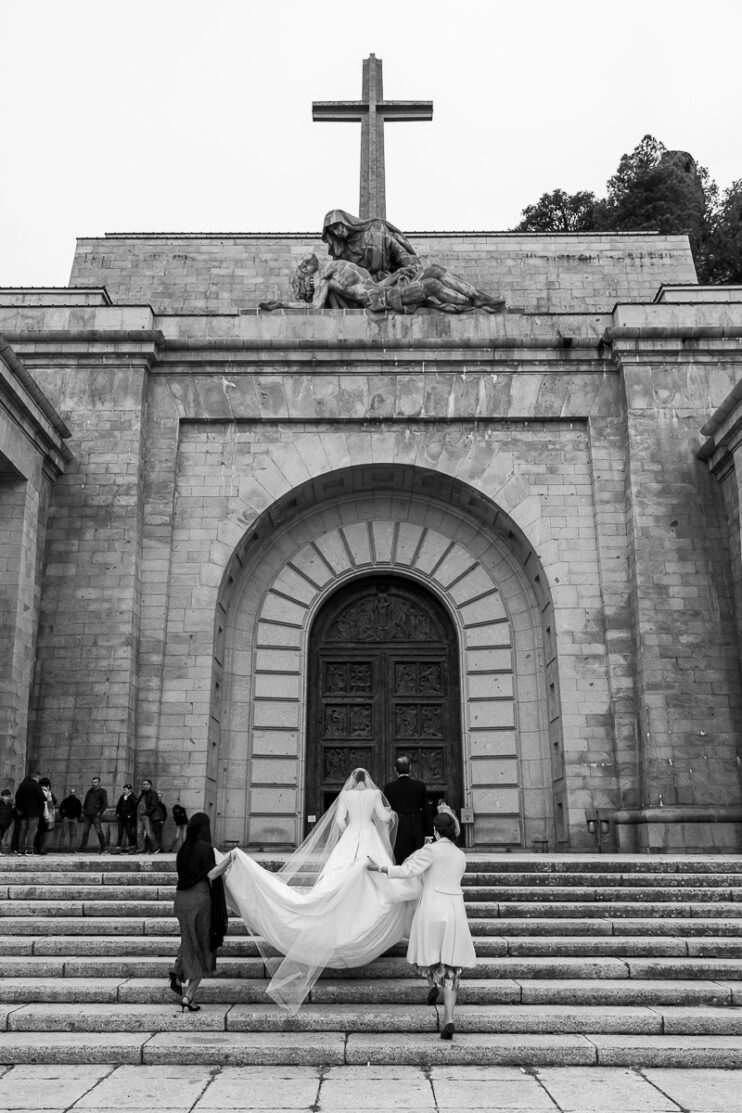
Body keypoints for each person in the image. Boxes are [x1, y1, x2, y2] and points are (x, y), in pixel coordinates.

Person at [224, 767, 421, 1013]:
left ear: (352, 780)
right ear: (367, 779)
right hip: (369, 837)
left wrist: (350, 823)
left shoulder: (346, 795)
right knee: (376, 883)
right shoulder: (373, 795)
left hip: (351, 837)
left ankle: (338, 920)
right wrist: (390, 816)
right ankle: (365, 925)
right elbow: (382, 817)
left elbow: (339, 821)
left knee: (335, 882)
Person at [368, 810, 475, 1040]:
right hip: (455, 911)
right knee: (452, 966)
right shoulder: (460, 855)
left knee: (428, 954)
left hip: (432, 909)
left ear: (435, 831)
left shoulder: (430, 850)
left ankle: (432, 984)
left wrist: (380, 868)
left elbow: (408, 870)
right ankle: (449, 1018)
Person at [169, 812, 232, 1011]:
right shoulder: (205, 849)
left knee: (189, 940)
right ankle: (188, 995)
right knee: (203, 947)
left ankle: (179, 972)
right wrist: (230, 859)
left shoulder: (182, 850)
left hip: (181, 900)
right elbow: (211, 874)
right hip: (199, 900)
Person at [384, 756, 429, 864]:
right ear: (410, 767)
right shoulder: (420, 786)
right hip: (417, 826)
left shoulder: (389, 787)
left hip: (398, 827)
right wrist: (428, 833)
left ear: (395, 769)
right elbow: (426, 810)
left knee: (400, 859)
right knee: (416, 859)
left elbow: (386, 810)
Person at [12, 772, 45, 855]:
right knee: (32, 831)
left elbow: (17, 797)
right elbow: (42, 797)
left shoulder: (22, 785)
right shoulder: (36, 786)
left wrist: (19, 808)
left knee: (23, 831)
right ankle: (30, 848)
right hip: (34, 812)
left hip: (23, 812)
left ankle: (21, 848)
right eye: (39, 778)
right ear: (36, 777)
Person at [79, 776, 108, 853]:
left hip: (96, 815)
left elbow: (105, 804)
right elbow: (86, 802)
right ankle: (82, 848)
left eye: (95, 782)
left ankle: (103, 847)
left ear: (99, 783)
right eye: (93, 782)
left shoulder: (102, 791)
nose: (93, 784)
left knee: (99, 831)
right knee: (85, 831)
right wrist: (84, 811)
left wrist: (100, 812)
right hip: (88, 815)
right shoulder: (89, 791)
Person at [34, 777, 57, 855]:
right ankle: (39, 848)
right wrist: (47, 815)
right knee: (41, 832)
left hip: (41, 813)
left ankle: (38, 848)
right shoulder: (46, 792)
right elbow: (48, 804)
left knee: (40, 832)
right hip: (45, 814)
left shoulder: (41, 791)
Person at [136, 778, 158, 853]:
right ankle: (141, 849)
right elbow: (138, 803)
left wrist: (147, 813)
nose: (144, 786)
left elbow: (154, 805)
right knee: (139, 833)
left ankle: (155, 847)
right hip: (139, 815)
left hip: (146, 815)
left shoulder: (153, 793)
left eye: (146, 784)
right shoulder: (142, 793)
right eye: (143, 784)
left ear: (150, 785)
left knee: (149, 833)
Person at [115, 784, 137, 852]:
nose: (124, 791)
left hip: (128, 818)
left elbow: (134, 808)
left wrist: (130, 815)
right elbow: (118, 806)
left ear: (130, 790)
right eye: (123, 789)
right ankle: (118, 848)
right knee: (120, 833)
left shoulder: (133, 797)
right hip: (121, 817)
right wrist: (117, 813)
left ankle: (132, 847)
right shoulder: (122, 797)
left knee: (129, 832)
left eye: (125, 790)